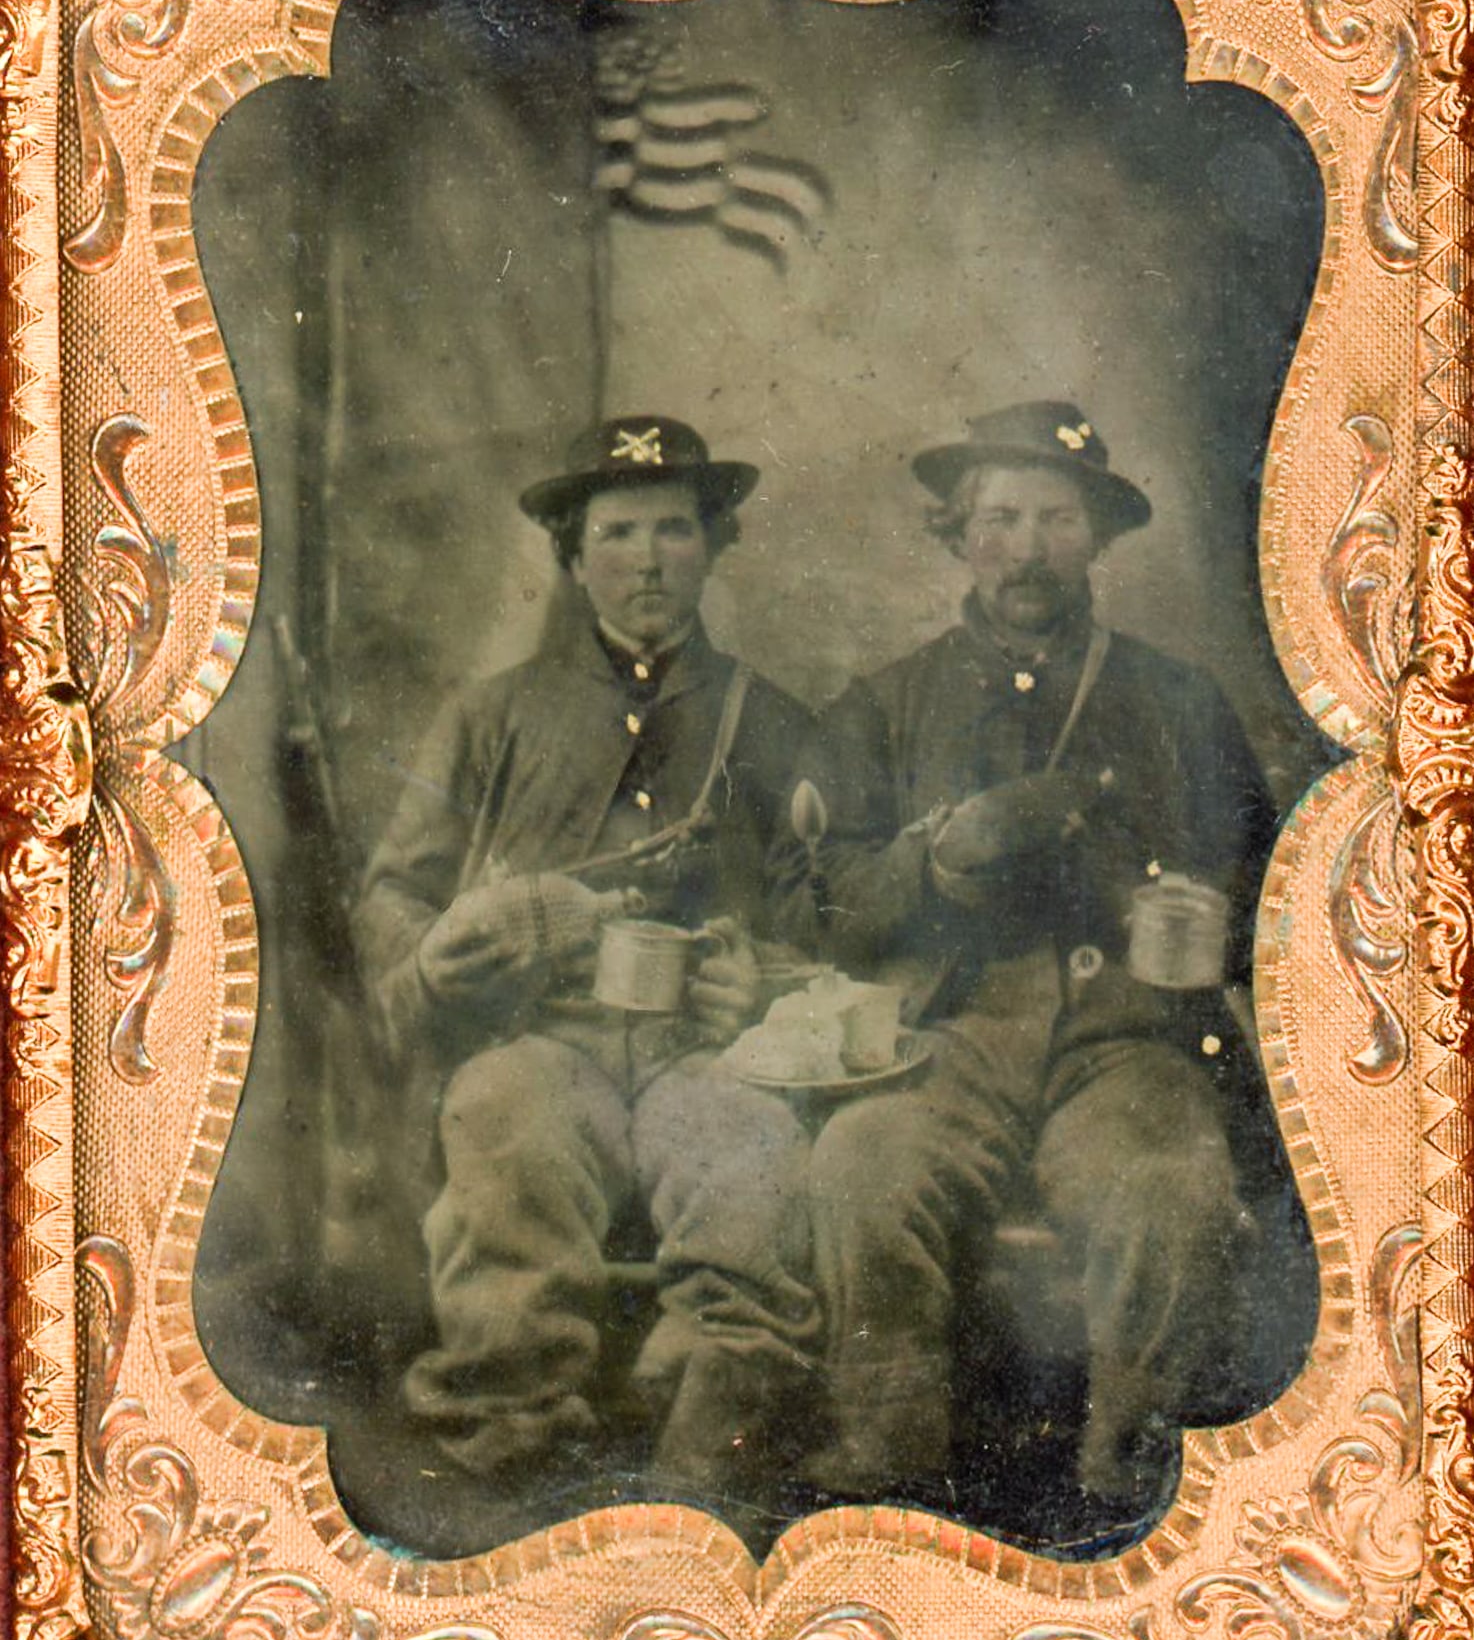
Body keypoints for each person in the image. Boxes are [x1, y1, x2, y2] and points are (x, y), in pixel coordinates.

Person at [773, 400, 1293, 1516]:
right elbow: (824, 909)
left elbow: (1280, 899)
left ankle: (1129, 1486)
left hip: (1124, 1052)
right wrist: (938, 867)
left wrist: (1221, 920)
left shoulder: (1177, 702)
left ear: (1095, 538)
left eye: (1056, 518)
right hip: (940, 1045)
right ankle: (888, 1474)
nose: (1026, 547)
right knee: (862, 1168)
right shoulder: (886, 705)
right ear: (956, 534)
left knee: (1174, 1191)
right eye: (999, 517)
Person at [355, 416, 818, 1510]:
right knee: (504, 1124)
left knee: (749, 1146)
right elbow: (391, 898)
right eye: (616, 534)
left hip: (702, 1050)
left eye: (673, 529)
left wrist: (760, 976)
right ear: (572, 558)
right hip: (536, 1039)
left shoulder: (774, 719)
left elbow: (831, 919)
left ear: (712, 545)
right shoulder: (491, 715)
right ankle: (506, 1438)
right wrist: (445, 948)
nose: (647, 559)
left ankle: (707, 1441)